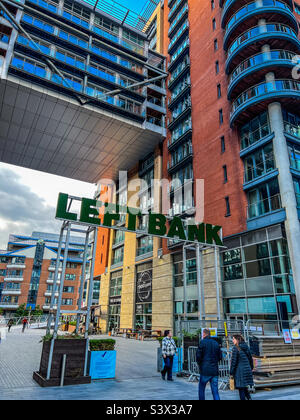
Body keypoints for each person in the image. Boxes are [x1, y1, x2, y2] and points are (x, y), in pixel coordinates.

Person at [196, 329, 222, 400]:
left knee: (201, 389)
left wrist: (200, 364)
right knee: (215, 391)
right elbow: (220, 356)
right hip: (214, 370)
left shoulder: (202, 342)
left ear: (204, 334)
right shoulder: (216, 343)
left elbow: (198, 356)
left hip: (205, 369)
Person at [230, 334, 254, 401]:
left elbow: (234, 362)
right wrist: (251, 368)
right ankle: (249, 398)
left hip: (240, 371)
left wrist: (231, 372)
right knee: (244, 386)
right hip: (247, 369)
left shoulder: (236, 348)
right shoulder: (246, 346)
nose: (232, 340)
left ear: (237, 340)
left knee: (241, 388)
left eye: (233, 339)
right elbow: (250, 358)